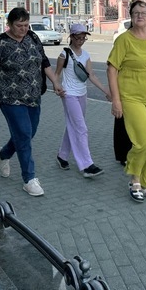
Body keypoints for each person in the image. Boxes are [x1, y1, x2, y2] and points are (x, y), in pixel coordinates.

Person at [0, 7, 64, 197]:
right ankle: (29, 179)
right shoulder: (0, 43)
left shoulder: (33, 38)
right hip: (9, 97)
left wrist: (56, 82)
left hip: (33, 95)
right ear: (9, 25)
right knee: (23, 133)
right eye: (18, 25)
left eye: (25, 25)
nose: (23, 29)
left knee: (29, 132)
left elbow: (44, 62)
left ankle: (3, 155)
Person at [107, 0, 146, 203]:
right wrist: (116, 100)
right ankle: (134, 178)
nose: (139, 16)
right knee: (143, 142)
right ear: (131, 16)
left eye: (143, 13)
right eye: (135, 12)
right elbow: (112, 69)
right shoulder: (124, 40)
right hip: (131, 95)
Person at [55, 23, 111, 178]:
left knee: (73, 125)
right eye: (78, 37)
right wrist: (57, 86)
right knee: (81, 128)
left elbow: (91, 75)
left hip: (82, 94)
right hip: (68, 95)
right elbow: (56, 74)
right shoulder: (64, 54)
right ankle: (87, 165)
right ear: (71, 37)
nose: (81, 40)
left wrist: (106, 90)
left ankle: (62, 156)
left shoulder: (86, 55)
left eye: (83, 38)